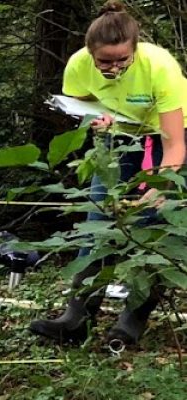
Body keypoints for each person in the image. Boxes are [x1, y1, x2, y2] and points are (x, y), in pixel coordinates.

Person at [28, 0, 185, 348]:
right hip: (119, 133)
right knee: (99, 216)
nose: (113, 68)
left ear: (135, 50)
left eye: (122, 61)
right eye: (105, 62)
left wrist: (160, 187)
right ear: (89, 53)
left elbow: (174, 147)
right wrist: (98, 121)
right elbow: (80, 105)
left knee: (152, 223)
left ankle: (130, 323)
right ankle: (76, 318)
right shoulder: (78, 66)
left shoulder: (160, 68)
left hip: (169, 134)